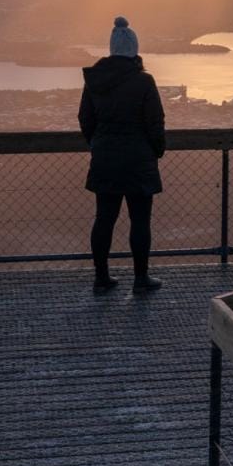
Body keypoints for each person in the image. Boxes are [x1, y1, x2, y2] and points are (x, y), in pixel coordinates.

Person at [78, 16, 165, 294]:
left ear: (112, 49)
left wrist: (98, 144)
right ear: (134, 50)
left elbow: (85, 118)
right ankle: (141, 279)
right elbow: (155, 122)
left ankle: (101, 278)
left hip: (105, 158)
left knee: (104, 218)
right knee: (140, 221)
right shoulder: (144, 81)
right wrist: (157, 150)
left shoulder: (95, 80)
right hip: (139, 160)